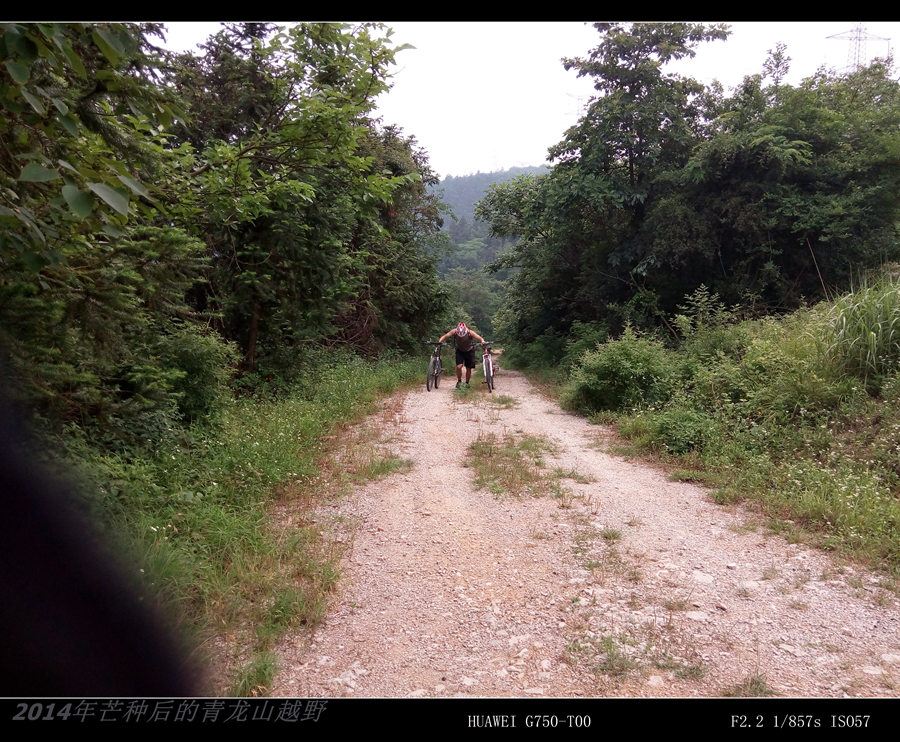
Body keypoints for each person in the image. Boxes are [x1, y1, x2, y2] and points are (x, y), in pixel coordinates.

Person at [438, 322, 485, 388]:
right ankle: (459, 381)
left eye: (462, 336)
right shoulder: (454, 331)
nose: (461, 338)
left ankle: (467, 383)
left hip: (469, 351)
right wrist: (439, 342)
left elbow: (479, 338)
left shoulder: (470, 332)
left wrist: (482, 341)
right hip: (460, 351)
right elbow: (445, 336)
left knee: (468, 368)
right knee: (459, 367)